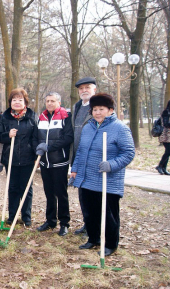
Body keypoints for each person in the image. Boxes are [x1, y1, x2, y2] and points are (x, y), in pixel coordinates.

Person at [71, 93, 135, 256]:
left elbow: (128, 153)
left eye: (101, 109)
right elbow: (81, 151)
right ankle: (93, 239)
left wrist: (111, 164)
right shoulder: (88, 127)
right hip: (87, 178)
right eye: (94, 109)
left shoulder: (120, 128)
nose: (97, 112)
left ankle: (110, 243)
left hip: (107, 179)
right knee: (89, 211)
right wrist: (75, 169)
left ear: (110, 110)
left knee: (108, 214)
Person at [0, 88, 38, 226]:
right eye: (14, 100)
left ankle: (26, 217)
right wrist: (8, 135)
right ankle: (12, 216)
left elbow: (36, 137)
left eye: (20, 100)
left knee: (26, 188)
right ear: (10, 102)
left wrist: (35, 153)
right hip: (11, 158)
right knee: (12, 187)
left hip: (27, 158)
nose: (17, 102)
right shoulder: (5, 117)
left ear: (25, 102)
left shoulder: (32, 116)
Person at [36, 92, 73, 236]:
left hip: (59, 162)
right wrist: (38, 149)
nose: (49, 103)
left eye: (52, 101)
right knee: (49, 193)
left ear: (59, 102)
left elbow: (68, 137)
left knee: (61, 193)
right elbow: (37, 136)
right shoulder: (42, 117)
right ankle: (50, 220)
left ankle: (64, 223)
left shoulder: (65, 116)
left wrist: (50, 147)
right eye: (47, 101)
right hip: (45, 162)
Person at [71, 77, 97, 235]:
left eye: (87, 87)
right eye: (81, 89)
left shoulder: (97, 107)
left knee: (93, 194)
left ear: (94, 89)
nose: (84, 90)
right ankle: (87, 224)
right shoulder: (78, 106)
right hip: (78, 156)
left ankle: (95, 226)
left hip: (92, 157)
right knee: (83, 194)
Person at [156, 100, 170, 175]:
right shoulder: (166, 112)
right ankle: (160, 166)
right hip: (165, 135)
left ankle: (163, 168)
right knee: (168, 151)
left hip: (169, 136)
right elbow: (166, 124)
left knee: (168, 152)